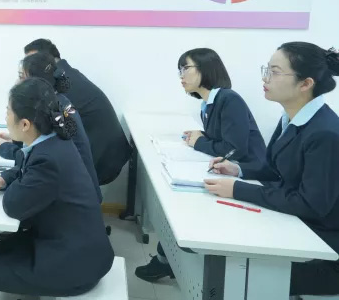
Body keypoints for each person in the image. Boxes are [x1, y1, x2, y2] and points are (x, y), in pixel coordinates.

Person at [206, 42, 339, 296]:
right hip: (298, 229)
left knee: (234, 270)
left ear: (305, 84)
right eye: (266, 69)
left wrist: (238, 189)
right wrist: (238, 170)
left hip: (324, 252)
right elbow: (275, 170)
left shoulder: (325, 134)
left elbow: (311, 204)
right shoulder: (292, 117)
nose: (265, 78)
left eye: (275, 72)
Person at [136, 47, 265, 282]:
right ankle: (166, 259)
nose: (181, 76)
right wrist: (201, 136)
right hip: (224, 171)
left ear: (205, 69)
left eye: (185, 68)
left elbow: (234, 149)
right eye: (179, 70)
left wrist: (200, 142)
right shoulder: (209, 103)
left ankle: (167, 261)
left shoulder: (229, 99)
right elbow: (221, 138)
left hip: (248, 175)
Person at [0, 78, 114, 300]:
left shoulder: (47, 160)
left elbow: (13, 206)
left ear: (25, 124)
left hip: (74, 264)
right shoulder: (55, 141)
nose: (5, 118)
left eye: (8, 112)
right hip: (73, 245)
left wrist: (12, 182)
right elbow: (28, 169)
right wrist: (6, 178)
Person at [0, 51, 101, 202]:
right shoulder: (56, 103)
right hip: (79, 190)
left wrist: (6, 148)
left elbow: (39, 159)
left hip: (74, 196)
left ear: (37, 82)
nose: (17, 83)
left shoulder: (53, 112)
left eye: (22, 77)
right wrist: (17, 138)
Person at [23, 39, 130, 185]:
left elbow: (47, 129)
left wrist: (15, 142)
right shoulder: (66, 74)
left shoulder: (60, 85)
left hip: (101, 161)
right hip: (108, 154)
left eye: (33, 62)